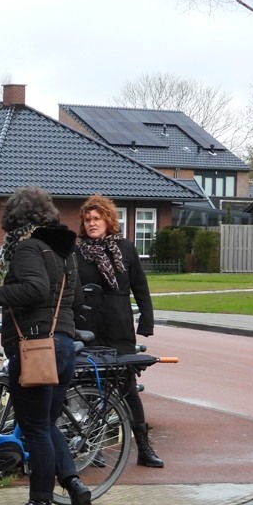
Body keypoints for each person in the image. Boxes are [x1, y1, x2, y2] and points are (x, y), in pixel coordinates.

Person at [0, 187, 92, 505]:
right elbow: (77, 300)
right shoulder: (65, 251)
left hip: (35, 347)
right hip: (63, 345)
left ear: (15, 220)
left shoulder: (28, 248)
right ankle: (73, 483)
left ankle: (41, 502)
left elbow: (34, 289)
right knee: (44, 423)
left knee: (34, 427)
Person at [74, 195, 164, 467]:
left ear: (108, 220)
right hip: (89, 327)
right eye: (87, 220)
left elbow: (140, 287)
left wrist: (146, 322)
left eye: (96, 219)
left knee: (127, 387)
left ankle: (144, 448)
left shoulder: (125, 248)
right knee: (89, 386)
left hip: (119, 325)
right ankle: (93, 444)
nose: (91, 224)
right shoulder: (76, 252)